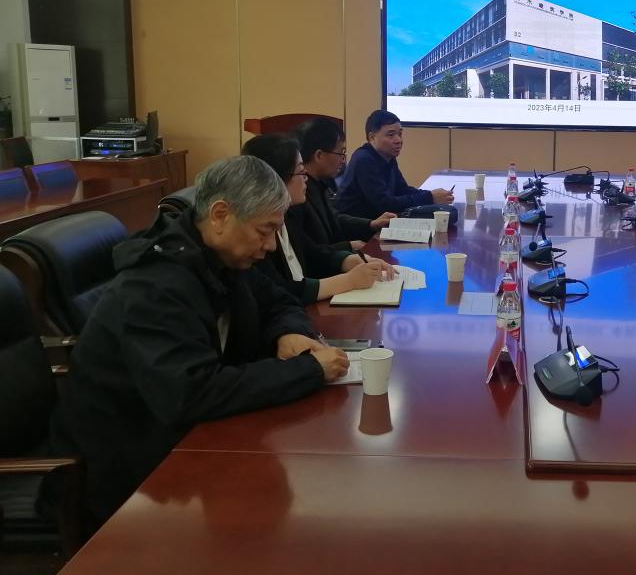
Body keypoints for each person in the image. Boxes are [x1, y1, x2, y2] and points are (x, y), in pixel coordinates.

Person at [45, 156, 349, 529]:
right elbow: (191, 393)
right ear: (220, 215)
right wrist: (308, 371)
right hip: (126, 473)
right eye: (264, 230)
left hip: (181, 438)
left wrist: (288, 334)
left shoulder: (219, 257)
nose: (271, 245)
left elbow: (279, 301)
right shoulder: (156, 286)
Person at [242, 134, 396, 303]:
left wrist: (349, 260)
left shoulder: (288, 216)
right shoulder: (256, 235)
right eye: (301, 172)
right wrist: (348, 281)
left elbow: (312, 252)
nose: (306, 178)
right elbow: (279, 291)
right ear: (275, 178)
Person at [294, 116, 397, 253]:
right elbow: (308, 251)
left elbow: (334, 219)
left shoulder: (320, 183)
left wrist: (371, 224)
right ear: (319, 156)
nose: (343, 160)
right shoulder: (298, 193)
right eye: (341, 152)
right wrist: (347, 247)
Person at [335, 109, 455, 219]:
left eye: (400, 134)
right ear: (372, 137)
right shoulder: (364, 160)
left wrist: (431, 194)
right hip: (357, 229)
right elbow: (385, 205)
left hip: (378, 222)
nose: (398, 140)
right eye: (391, 135)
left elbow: (402, 190)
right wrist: (430, 197)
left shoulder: (388, 157)